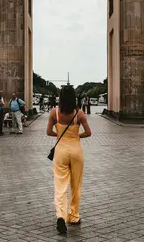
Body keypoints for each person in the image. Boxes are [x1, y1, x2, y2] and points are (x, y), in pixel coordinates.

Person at [47, 85, 92, 234]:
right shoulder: (79, 113)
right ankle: (73, 216)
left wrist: (60, 135)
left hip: (60, 152)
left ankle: (61, 215)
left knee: (60, 185)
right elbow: (88, 132)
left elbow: (48, 132)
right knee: (76, 185)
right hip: (76, 151)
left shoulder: (54, 113)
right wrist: (76, 135)